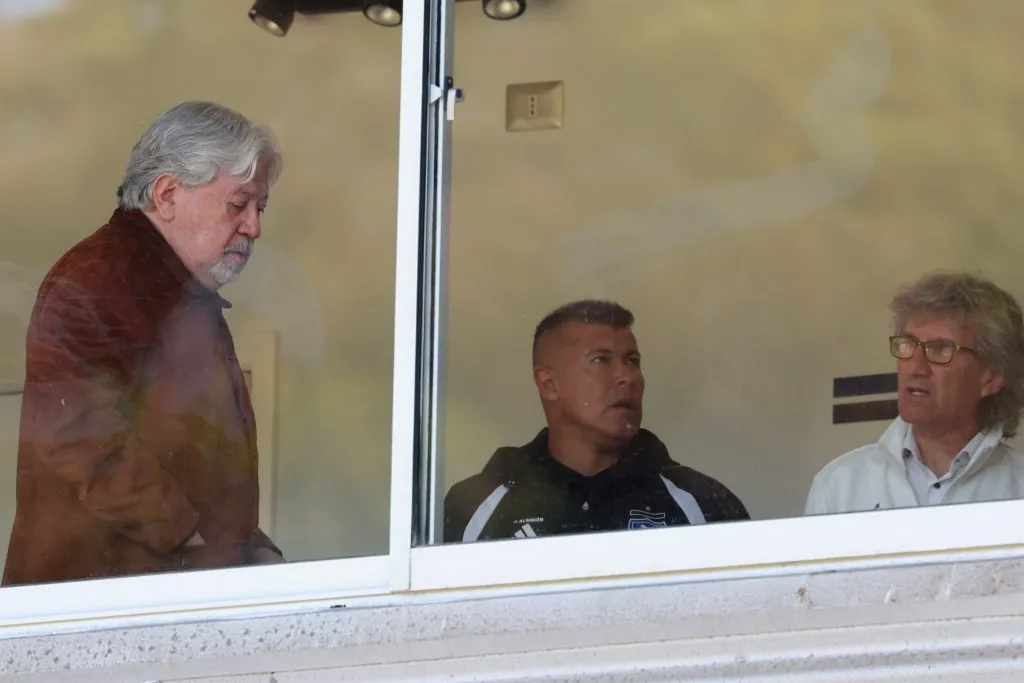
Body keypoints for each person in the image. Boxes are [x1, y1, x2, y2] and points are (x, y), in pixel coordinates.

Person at [3, 101, 285, 586]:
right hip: (100, 613)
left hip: (152, 595)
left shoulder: (177, 290)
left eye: (260, 208)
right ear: (168, 194)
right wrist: (195, 546)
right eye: (238, 205)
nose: (254, 226)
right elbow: (83, 442)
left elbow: (202, 464)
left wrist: (253, 551)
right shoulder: (95, 281)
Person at [444, 300, 749, 543]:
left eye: (633, 361)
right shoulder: (476, 506)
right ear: (549, 384)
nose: (627, 377)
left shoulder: (702, 503)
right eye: (601, 360)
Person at [805, 272, 1024, 516]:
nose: (916, 367)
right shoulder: (839, 486)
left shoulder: (1018, 486)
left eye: (940, 349)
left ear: (991, 378)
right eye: (908, 344)